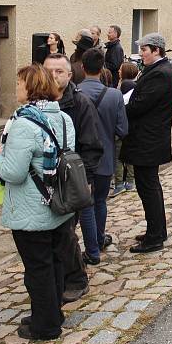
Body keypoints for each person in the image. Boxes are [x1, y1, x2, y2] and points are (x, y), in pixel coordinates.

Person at [0, 64, 76, 339]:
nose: (15, 87)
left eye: (18, 83)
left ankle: (46, 326)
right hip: (59, 204)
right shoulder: (63, 118)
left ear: (31, 87)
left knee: (38, 268)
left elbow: (13, 172)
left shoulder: (24, 124)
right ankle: (51, 312)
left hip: (33, 207)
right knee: (54, 263)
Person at [43, 53, 103, 303]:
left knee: (66, 232)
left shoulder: (80, 104)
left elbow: (92, 145)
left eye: (59, 71)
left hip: (70, 179)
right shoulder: (39, 102)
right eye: (48, 71)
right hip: (45, 181)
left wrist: (85, 180)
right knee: (51, 233)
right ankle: (58, 276)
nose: (53, 75)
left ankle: (76, 278)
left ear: (69, 75)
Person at [122, 33, 172, 253]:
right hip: (147, 139)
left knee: (149, 188)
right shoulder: (157, 70)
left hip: (148, 140)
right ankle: (157, 230)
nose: (141, 53)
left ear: (157, 50)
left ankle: (155, 237)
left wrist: (121, 107)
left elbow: (140, 105)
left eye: (144, 49)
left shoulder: (161, 74)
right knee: (149, 188)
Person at [78, 49, 128, 264]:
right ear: (103, 69)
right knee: (100, 201)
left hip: (80, 160)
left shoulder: (75, 93)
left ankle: (92, 248)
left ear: (82, 67)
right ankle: (98, 240)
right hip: (105, 157)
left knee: (85, 205)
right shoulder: (114, 95)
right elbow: (123, 130)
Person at [112, 62, 138, 197]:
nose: (118, 71)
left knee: (118, 156)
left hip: (121, 126)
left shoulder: (125, 85)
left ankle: (119, 184)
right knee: (129, 156)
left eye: (120, 69)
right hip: (131, 127)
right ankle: (130, 181)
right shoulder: (136, 86)